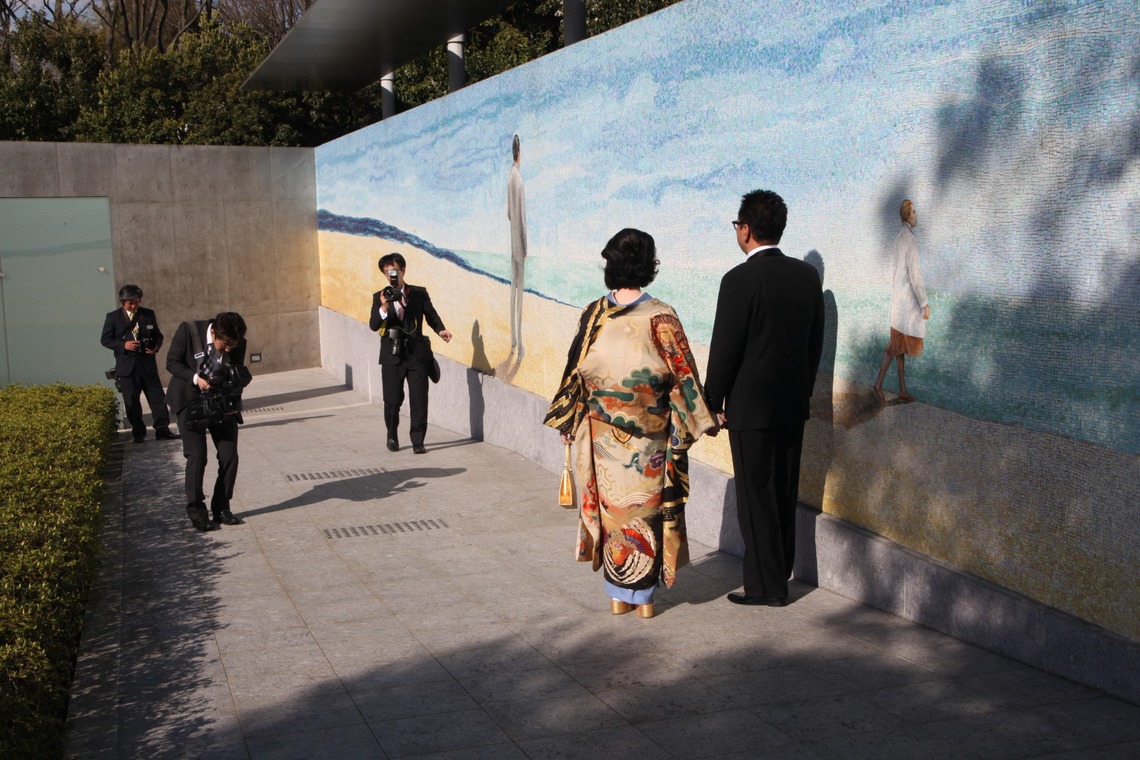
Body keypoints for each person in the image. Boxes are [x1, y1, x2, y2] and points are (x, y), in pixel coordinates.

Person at [545, 229, 716, 619]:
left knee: (615, 513)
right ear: (649, 264)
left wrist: (568, 419)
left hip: (603, 435)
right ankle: (645, 599)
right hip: (649, 439)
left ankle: (617, 595)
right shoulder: (662, 315)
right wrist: (701, 417)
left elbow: (574, 372)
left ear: (610, 264)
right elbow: (684, 377)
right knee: (643, 512)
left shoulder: (594, 314)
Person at [705, 190, 824, 607]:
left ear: (747, 229)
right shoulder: (808, 278)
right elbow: (815, 345)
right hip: (792, 405)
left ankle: (765, 586)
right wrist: (803, 390)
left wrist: (711, 401)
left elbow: (725, 349)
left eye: (737, 225)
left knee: (756, 498)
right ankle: (780, 576)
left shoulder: (738, 281)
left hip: (750, 409)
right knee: (783, 492)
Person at [165, 313, 251, 532]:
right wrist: (196, 378)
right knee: (197, 456)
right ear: (214, 333)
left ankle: (222, 507)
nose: (229, 349)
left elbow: (236, 373)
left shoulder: (236, 342)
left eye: (234, 345)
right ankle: (197, 512)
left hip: (220, 402)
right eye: (225, 345)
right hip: (189, 400)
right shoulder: (189, 330)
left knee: (229, 455)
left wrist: (235, 393)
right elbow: (171, 362)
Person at [369, 253, 452, 454]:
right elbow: (373, 325)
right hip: (392, 354)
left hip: (417, 354)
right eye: (387, 273)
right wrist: (384, 306)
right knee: (391, 400)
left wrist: (441, 329)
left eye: (394, 272)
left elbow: (431, 315)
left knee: (419, 399)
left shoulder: (418, 293)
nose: (391, 277)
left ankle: (418, 440)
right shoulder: (379, 296)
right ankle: (392, 436)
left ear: (403, 270)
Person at [100, 284, 178, 443]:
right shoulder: (113, 317)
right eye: (130, 303)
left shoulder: (148, 314)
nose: (134, 305)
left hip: (147, 364)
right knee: (131, 401)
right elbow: (105, 340)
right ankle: (139, 433)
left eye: (136, 302)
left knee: (157, 398)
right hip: (127, 367)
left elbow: (158, 336)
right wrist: (123, 345)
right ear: (123, 302)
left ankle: (162, 430)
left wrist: (155, 348)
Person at [873, 199, 930, 405]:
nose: (916, 215)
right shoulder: (910, 240)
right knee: (894, 348)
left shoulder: (899, 238)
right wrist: (924, 303)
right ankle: (878, 385)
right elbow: (915, 275)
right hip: (905, 306)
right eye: (914, 212)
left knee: (899, 350)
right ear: (908, 216)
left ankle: (902, 390)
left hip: (899, 304)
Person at [507, 133, 528, 356]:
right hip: (518, 245)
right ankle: (520, 344)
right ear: (519, 152)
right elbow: (521, 218)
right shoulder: (519, 180)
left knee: (512, 292)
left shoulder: (509, 176)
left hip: (511, 243)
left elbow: (509, 213)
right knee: (519, 295)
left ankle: (513, 339)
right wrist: (525, 247)